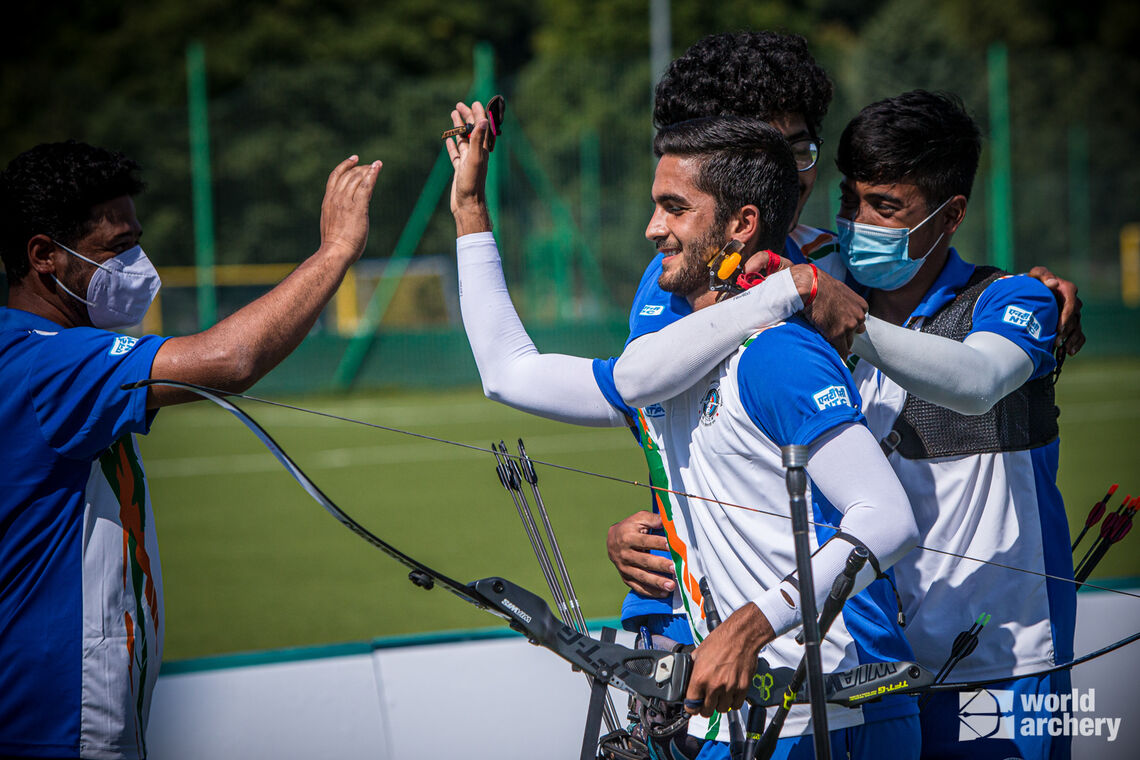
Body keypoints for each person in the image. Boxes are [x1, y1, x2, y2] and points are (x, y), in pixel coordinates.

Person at [450, 106, 921, 759]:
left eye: (674, 208)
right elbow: (509, 372)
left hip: (839, 715)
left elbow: (889, 518)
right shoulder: (670, 366)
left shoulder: (777, 355)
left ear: (741, 225)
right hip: (748, 716)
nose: (652, 228)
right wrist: (470, 207)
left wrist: (751, 626)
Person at [0, 140, 380, 759]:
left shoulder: (39, 350)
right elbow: (230, 359)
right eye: (117, 249)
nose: (138, 264)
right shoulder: (45, 360)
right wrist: (336, 251)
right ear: (44, 255)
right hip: (56, 721)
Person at [833, 91, 1075, 760]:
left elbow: (974, 383)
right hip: (869, 669)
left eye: (885, 207)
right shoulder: (819, 304)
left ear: (952, 216)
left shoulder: (1012, 298)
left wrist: (849, 323)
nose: (858, 222)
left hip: (1001, 661)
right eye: (849, 200)